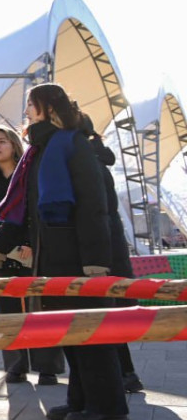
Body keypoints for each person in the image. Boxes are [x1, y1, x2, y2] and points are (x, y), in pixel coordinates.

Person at [0, 83, 128, 420]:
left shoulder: (72, 144)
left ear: (48, 108)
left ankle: (108, 407)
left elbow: (95, 207)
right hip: (52, 259)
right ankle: (80, 399)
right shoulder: (39, 151)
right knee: (70, 331)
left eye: (31, 105)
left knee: (90, 331)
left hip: (79, 259)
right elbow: (28, 210)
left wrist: (96, 262)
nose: (26, 112)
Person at [0, 124, 64, 385]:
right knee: (7, 310)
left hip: (30, 251)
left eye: (2, 140)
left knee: (39, 308)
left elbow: (34, 210)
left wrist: (30, 243)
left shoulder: (29, 171)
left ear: (14, 144)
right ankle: (16, 366)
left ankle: (47, 367)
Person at [80, 115, 144, 394]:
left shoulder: (88, 161)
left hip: (102, 252)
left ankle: (124, 375)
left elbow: (96, 212)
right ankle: (126, 374)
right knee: (110, 314)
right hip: (109, 249)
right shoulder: (95, 156)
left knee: (106, 316)